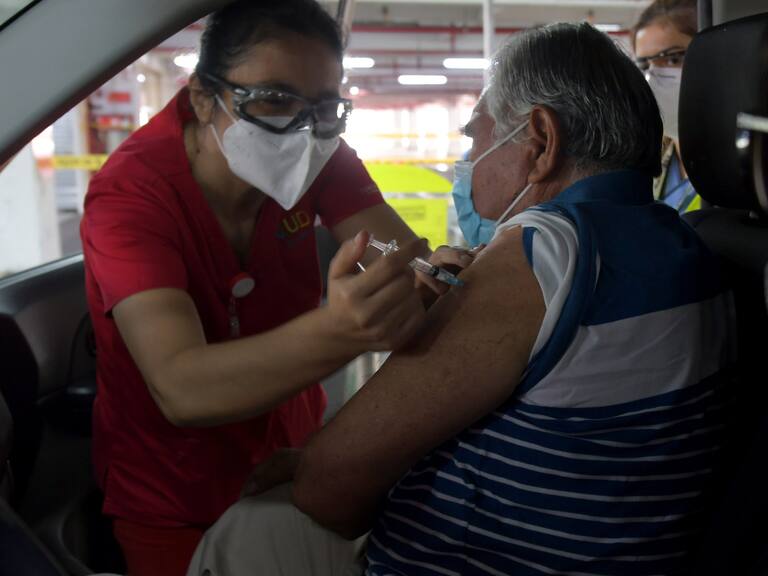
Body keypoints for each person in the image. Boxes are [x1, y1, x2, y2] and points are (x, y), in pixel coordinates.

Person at [187, 21, 734, 576]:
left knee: (249, 529)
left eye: (475, 136)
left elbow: (330, 484)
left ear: (540, 142)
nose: (466, 160)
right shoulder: (680, 239)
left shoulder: (546, 250)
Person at [80, 1, 471, 574]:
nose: (301, 128)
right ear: (203, 97)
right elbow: (181, 387)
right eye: (272, 99)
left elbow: (394, 253)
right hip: (173, 494)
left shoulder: (321, 155)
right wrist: (344, 331)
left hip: (295, 462)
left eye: (324, 107)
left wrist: (420, 274)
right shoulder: (133, 196)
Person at [633, 0, 700, 212]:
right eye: (644, 65)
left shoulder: (749, 165)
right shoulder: (646, 162)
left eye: (673, 59)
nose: (652, 78)